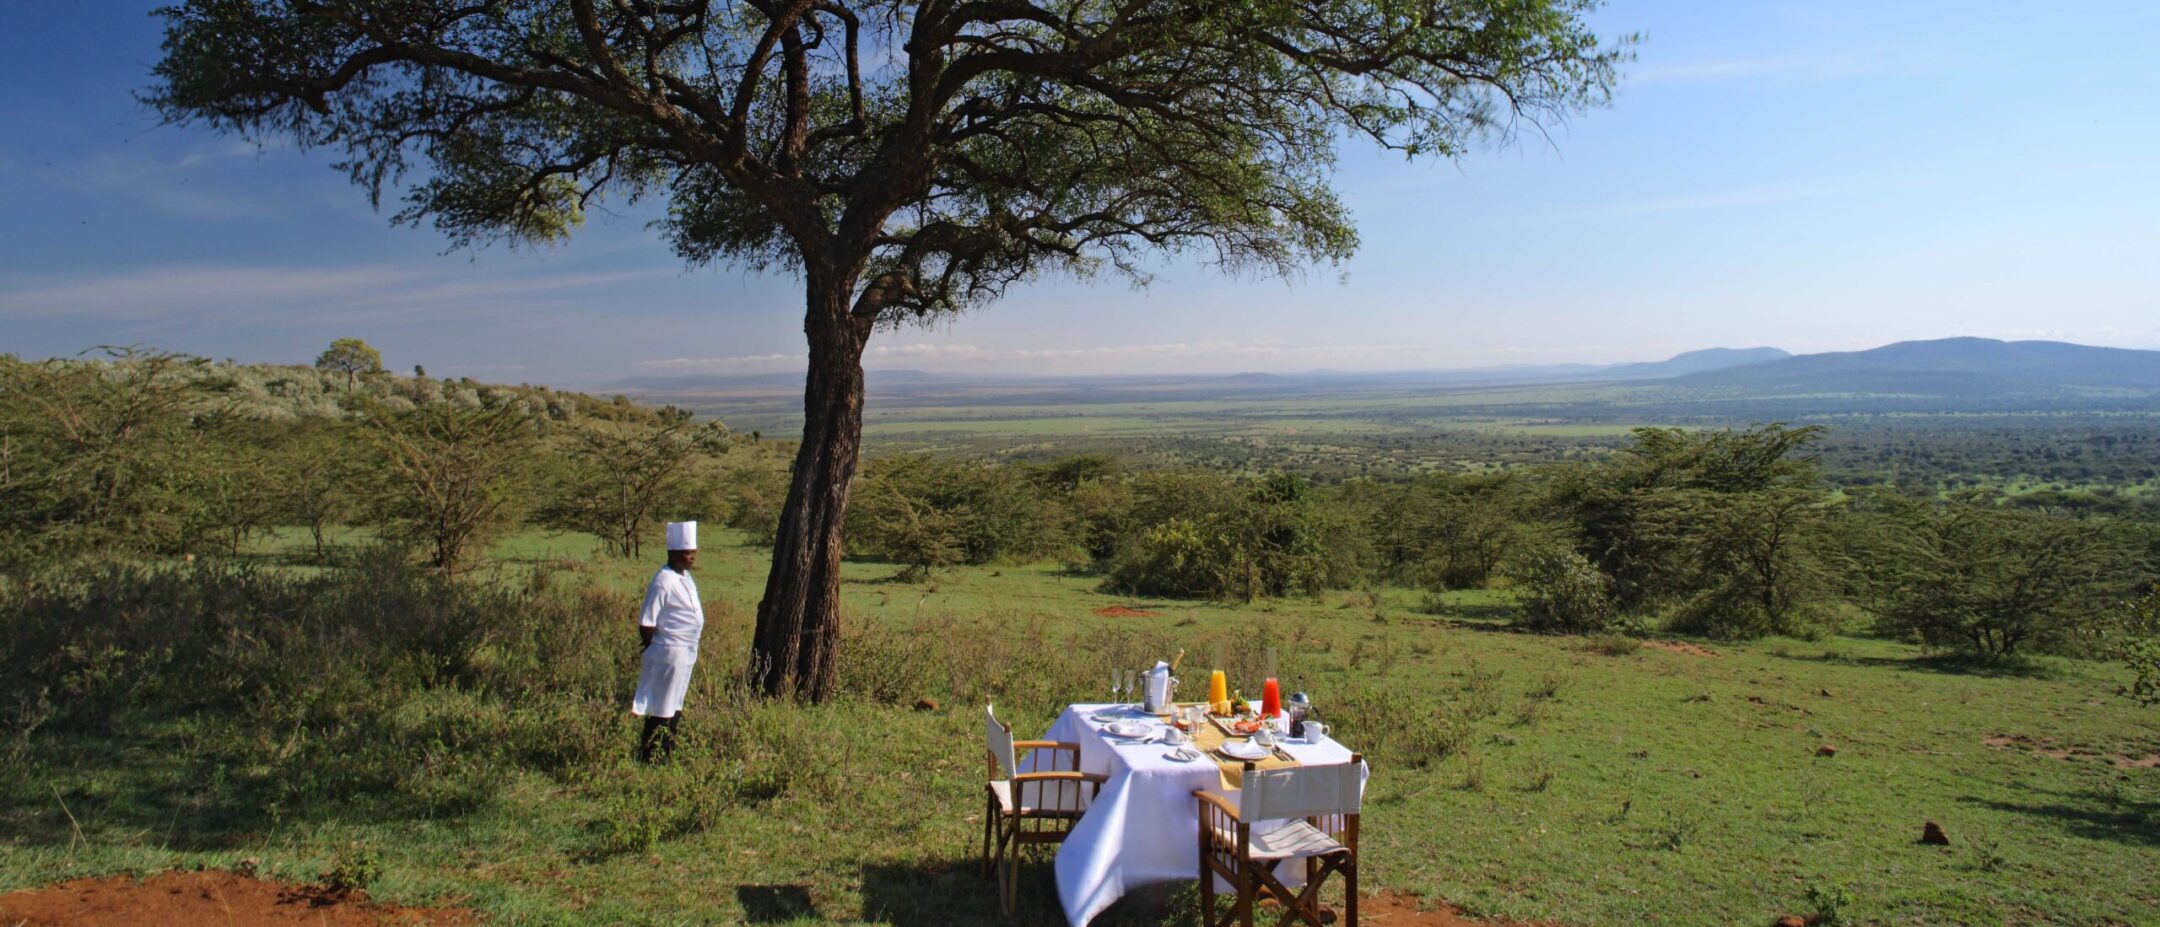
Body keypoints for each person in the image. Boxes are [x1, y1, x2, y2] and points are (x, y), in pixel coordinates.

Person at [632, 520, 703, 763]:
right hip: (667, 654)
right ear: (674, 553)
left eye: (693, 552)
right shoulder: (663, 580)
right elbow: (646, 622)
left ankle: (666, 754)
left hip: (684, 655)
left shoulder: (684, 578)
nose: (692, 557)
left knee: (674, 707)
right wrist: (657, 649)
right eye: (687, 552)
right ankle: (650, 757)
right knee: (660, 709)